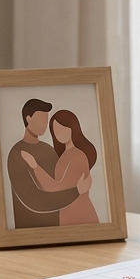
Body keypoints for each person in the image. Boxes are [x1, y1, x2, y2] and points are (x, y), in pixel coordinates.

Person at [8, 98, 88, 229]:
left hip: (58, 226)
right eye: (40, 119)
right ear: (28, 119)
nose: (44, 125)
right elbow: (33, 200)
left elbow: (57, 185)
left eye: (46, 120)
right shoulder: (17, 154)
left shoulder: (49, 150)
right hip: (30, 229)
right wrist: (76, 192)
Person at [22, 109, 101, 225]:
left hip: (78, 212)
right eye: (56, 130)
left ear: (73, 128)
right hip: (68, 209)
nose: (59, 133)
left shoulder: (77, 155)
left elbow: (58, 188)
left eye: (63, 128)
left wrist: (35, 166)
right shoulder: (65, 155)